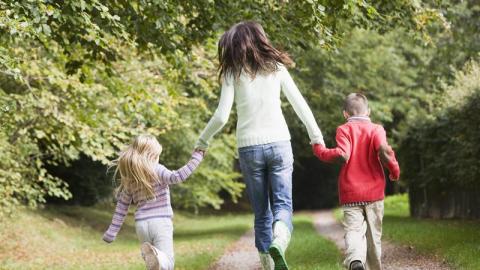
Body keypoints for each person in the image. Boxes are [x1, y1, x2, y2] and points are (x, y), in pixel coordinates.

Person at [195, 21, 325, 270]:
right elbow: (300, 105)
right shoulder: (276, 68)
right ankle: (280, 239)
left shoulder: (233, 73)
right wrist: (316, 137)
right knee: (283, 205)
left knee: (261, 211)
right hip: (279, 143)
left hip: (249, 148)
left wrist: (202, 141)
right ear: (260, 39)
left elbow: (221, 116)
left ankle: (267, 264)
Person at [312, 93, 400, 270]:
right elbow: (384, 150)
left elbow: (342, 153)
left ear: (345, 114)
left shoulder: (343, 129)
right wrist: (394, 170)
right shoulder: (377, 129)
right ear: (368, 111)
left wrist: (320, 150)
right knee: (373, 236)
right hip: (374, 193)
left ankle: (355, 261)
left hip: (351, 193)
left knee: (353, 231)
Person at [102, 134, 204, 270]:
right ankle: (158, 257)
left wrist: (112, 232)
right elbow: (178, 176)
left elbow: (121, 207)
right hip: (160, 222)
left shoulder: (131, 178)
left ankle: (155, 257)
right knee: (167, 263)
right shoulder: (157, 169)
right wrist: (197, 157)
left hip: (141, 226)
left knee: (153, 267)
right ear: (152, 155)